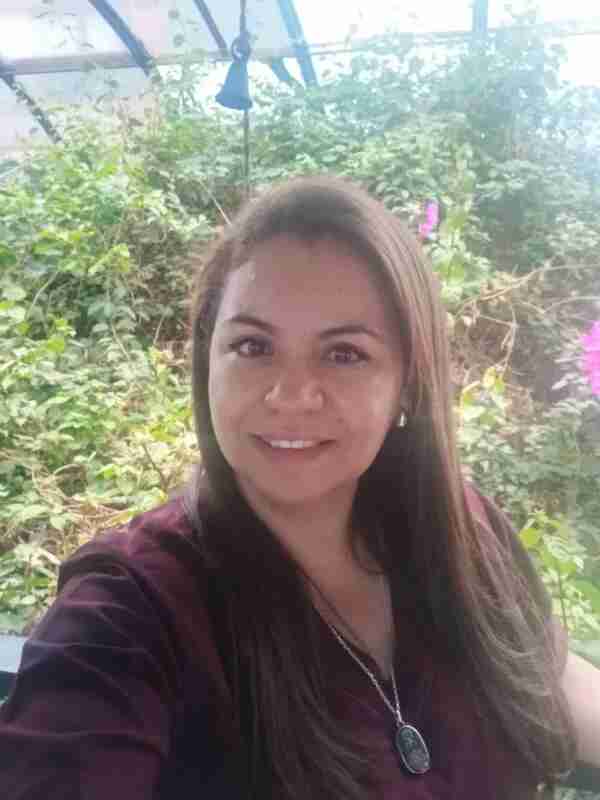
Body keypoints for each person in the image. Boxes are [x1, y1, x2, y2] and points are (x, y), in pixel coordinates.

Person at [1, 176, 599, 800]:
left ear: (408, 383)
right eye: (253, 346)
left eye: (344, 354)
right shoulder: (129, 612)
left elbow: (545, 669)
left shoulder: (461, 532)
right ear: (208, 361)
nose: (290, 395)